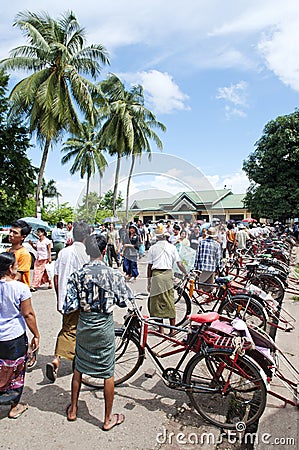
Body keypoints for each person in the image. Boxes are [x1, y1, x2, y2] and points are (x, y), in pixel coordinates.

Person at [65, 234, 130, 430]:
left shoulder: (77, 275)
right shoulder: (114, 274)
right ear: (104, 251)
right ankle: (107, 419)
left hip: (85, 324)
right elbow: (122, 300)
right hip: (104, 326)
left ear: (87, 251)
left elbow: (69, 305)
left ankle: (74, 409)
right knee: (107, 370)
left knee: (79, 366)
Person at [46, 221, 90, 382]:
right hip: (80, 299)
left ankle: (67, 357)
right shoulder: (86, 253)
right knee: (72, 329)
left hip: (65, 298)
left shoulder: (64, 252)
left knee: (68, 326)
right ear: (87, 235)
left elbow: (56, 278)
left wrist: (59, 297)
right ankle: (58, 359)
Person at [0, 252, 40, 418]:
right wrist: (36, 334)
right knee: (15, 370)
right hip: (13, 336)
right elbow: (28, 314)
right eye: (16, 265)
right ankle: (14, 406)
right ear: (10, 268)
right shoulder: (20, 288)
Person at [147, 225, 187, 334]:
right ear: (166, 236)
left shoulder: (152, 248)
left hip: (156, 276)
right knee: (169, 301)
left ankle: (161, 329)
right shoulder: (172, 247)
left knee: (157, 302)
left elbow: (149, 267)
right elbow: (179, 263)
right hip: (167, 275)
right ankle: (172, 330)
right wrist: (186, 273)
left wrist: (148, 282)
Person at [194, 226, 222, 291]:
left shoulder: (202, 242)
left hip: (202, 268)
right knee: (210, 287)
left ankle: (200, 299)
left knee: (200, 287)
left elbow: (197, 256)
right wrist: (219, 269)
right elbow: (218, 258)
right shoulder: (217, 244)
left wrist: (195, 267)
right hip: (211, 268)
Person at [7, 219, 32, 287]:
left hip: (18, 292)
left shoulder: (24, 254)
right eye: (10, 231)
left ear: (23, 237)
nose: (10, 234)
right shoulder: (7, 251)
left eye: (15, 233)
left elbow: (17, 277)